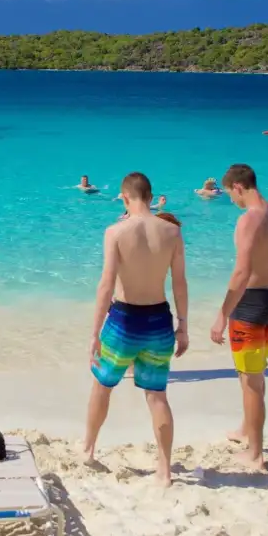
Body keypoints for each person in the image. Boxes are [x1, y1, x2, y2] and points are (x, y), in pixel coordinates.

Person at [84, 172, 189, 486]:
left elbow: (106, 285)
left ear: (126, 198)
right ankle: (165, 470)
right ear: (150, 195)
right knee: (157, 396)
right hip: (159, 321)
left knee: (102, 386)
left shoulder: (115, 231)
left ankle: (88, 451)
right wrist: (183, 326)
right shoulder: (172, 231)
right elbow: (180, 283)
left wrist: (94, 332)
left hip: (123, 321)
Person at [211, 164, 268, 472]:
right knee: (254, 375)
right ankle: (247, 429)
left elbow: (241, 272)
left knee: (250, 381)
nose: (233, 201)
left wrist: (222, 315)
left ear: (237, 187)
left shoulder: (249, 220)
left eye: (231, 195)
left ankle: (256, 454)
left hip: (249, 307)